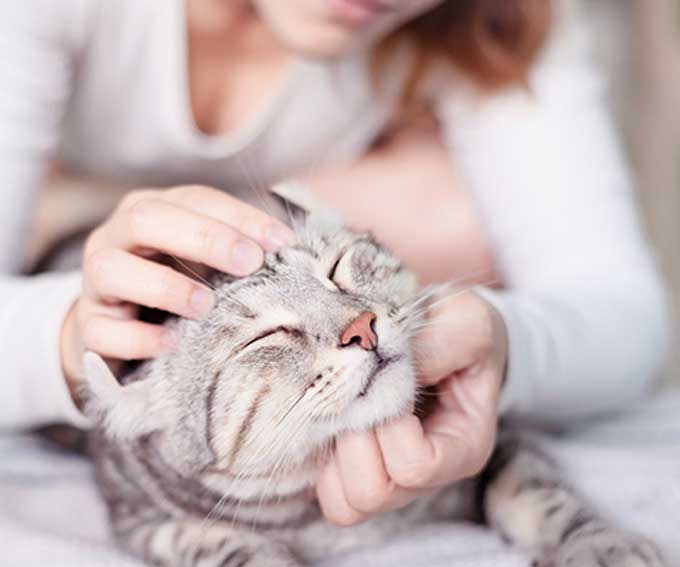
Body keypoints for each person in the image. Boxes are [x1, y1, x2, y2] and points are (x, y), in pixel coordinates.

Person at [0, 0, 670, 526]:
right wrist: (71, 332)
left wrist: (502, 339)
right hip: (69, 251)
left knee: (458, 216)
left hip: (316, 288)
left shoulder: (504, 16)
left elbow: (627, 318)